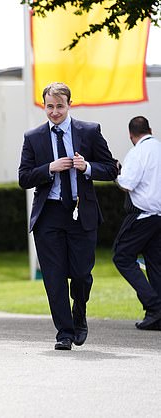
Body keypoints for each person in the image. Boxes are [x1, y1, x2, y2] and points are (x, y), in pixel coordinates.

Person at [19, 82, 118, 350]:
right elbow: (24, 178)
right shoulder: (33, 137)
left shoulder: (89, 131)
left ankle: (80, 313)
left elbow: (110, 169)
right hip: (49, 215)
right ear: (44, 106)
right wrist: (49, 168)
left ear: (69, 105)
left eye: (59, 106)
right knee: (54, 276)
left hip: (80, 212)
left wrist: (87, 167)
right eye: (49, 107)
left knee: (82, 274)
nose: (54, 112)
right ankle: (64, 332)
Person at [113, 116, 161, 330]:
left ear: (130, 135)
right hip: (159, 216)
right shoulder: (159, 148)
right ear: (150, 129)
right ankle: (157, 316)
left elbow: (127, 184)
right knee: (155, 263)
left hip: (142, 215)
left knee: (122, 256)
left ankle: (154, 305)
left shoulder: (137, 152)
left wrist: (117, 171)